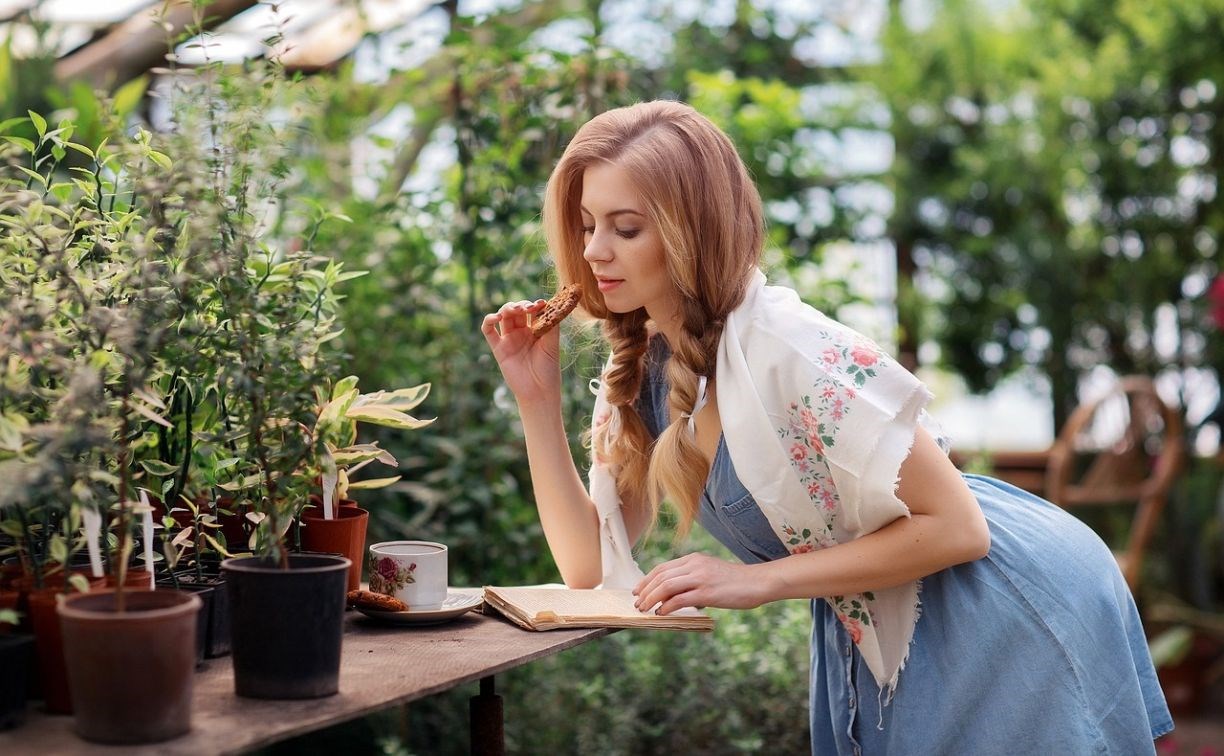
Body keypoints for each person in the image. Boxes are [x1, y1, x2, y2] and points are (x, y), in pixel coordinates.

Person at [481, 100, 1172, 754]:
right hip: (885, 619)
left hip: (996, 605)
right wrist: (536, 401)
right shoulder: (647, 369)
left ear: (691, 231)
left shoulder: (790, 348)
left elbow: (961, 527)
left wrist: (759, 579)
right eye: (586, 224)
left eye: (625, 228)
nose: (596, 250)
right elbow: (588, 567)